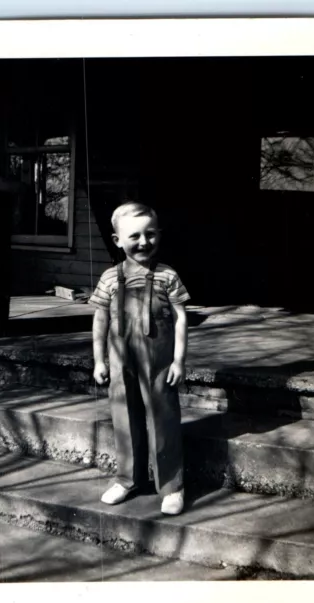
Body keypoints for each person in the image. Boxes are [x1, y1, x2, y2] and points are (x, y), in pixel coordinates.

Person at [88, 202, 190, 515]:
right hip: (120, 361)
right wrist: (99, 361)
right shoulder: (108, 278)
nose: (144, 241)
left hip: (158, 362)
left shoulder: (167, 276)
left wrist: (179, 361)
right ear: (117, 240)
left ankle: (172, 486)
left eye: (150, 234)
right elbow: (100, 321)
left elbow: (180, 318)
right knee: (123, 415)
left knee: (163, 418)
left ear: (159, 234)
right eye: (134, 236)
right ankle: (127, 479)